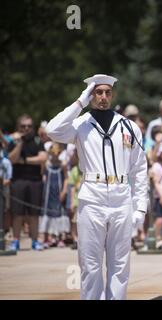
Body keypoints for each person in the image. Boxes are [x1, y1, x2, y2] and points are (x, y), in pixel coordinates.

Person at [45, 74, 148, 300]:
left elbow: (140, 168)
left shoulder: (128, 126)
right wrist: (80, 103)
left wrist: (141, 207)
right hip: (92, 197)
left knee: (120, 264)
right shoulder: (80, 124)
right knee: (90, 263)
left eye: (107, 93)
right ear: (91, 95)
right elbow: (52, 130)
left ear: (112, 95)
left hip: (121, 197)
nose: (102, 97)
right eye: (97, 93)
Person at [7, 115, 47, 251]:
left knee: (34, 214)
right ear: (18, 127)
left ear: (33, 127)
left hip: (35, 181)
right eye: (23, 126)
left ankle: (35, 241)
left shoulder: (37, 140)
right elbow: (12, 159)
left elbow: (43, 158)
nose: (26, 129)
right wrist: (19, 144)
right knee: (17, 213)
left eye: (29, 126)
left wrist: (24, 161)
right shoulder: (14, 141)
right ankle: (15, 241)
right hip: (18, 181)